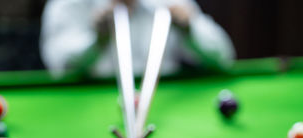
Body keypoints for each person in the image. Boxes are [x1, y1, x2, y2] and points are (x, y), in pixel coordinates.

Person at [40, 0, 235, 78]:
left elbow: (224, 57)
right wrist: (97, 41)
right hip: (89, 97)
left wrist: (189, 31)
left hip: (162, 98)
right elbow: (59, 67)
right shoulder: (69, 4)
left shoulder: (169, 1)